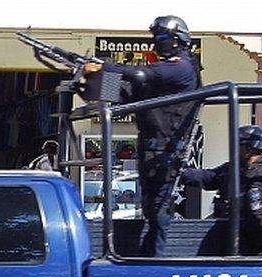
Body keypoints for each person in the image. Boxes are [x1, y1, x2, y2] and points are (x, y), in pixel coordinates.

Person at [84, 15, 201, 257]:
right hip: (151, 150)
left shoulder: (182, 66)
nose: (157, 43)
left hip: (165, 152)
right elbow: (127, 94)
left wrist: (105, 66)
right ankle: (146, 257)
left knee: (159, 213)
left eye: (161, 38)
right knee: (150, 209)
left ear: (177, 40)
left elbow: (140, 76)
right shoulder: (163, 75)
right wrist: (89, 81)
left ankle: (154, 262)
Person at [180, 125, 262, 218]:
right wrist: (181, 172)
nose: (234, 150)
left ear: (250, 149)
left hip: (250, 227)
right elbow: (209, 177)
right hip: (225, 224)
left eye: (238, 146)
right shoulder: (231, 169)